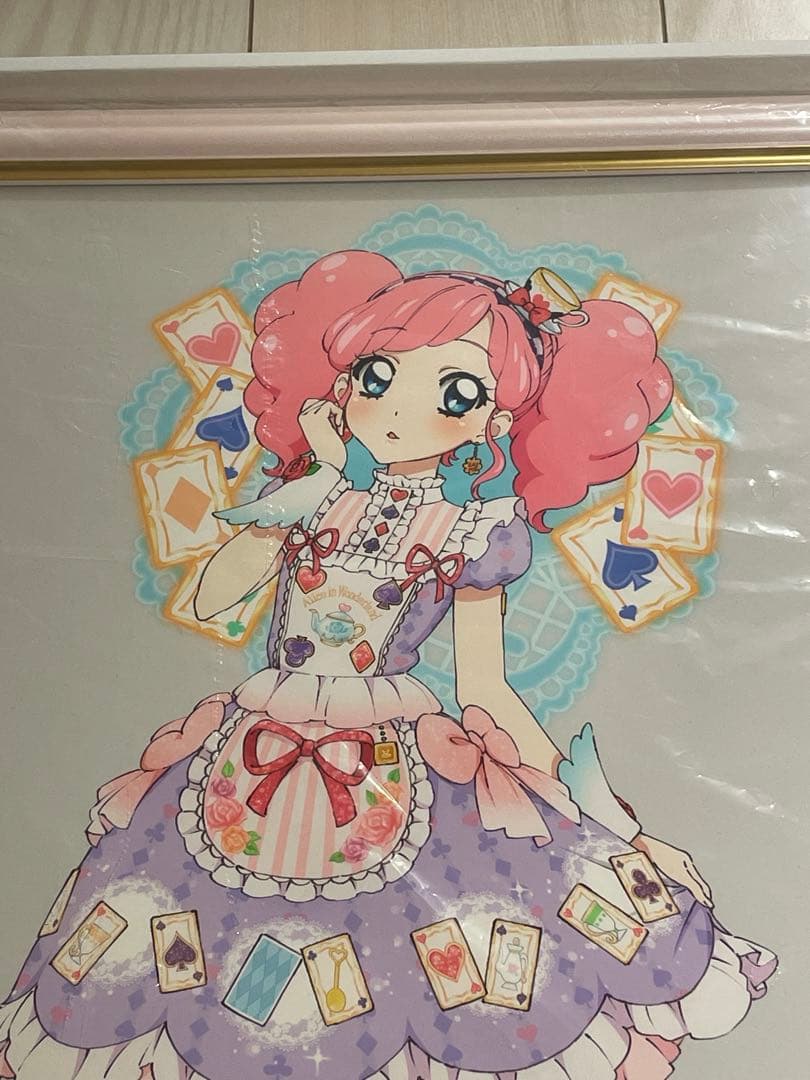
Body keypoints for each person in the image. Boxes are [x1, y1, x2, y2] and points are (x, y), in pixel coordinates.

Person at [0, 251, 776, 1080]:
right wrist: (315, 483)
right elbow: (212, 598)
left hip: (396, 762)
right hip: (245, 752)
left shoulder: (477, 529)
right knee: (181, 948)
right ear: (339, 384)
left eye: (456, 392)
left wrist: (622, 829)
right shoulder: (309, 496)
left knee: (430, 963)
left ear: (491, 424)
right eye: (379, 375)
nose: (401, 407)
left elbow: (485, 690)